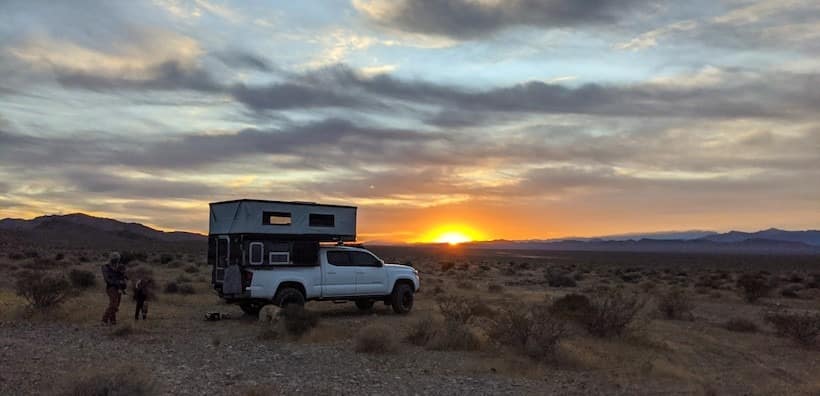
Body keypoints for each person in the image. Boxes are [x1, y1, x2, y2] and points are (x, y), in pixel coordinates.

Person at [101, 252, 128, 325]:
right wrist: (118, 282)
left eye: (117, 259)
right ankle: (104, 320)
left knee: (116, 305)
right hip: (111, 287)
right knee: (113, 304)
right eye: (115, 259)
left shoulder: (120, 267)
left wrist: (124, 280)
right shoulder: (106, 267)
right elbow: (107, 279)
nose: (116, 260)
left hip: (119, 288)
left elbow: (125, 276)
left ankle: (113, 321)